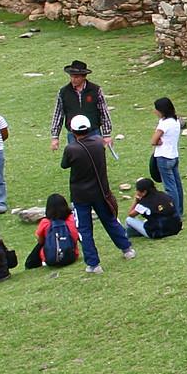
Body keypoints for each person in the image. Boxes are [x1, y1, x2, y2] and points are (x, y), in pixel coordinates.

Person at [60, 114, 132, 274]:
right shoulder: (99, 142)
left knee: (84, 230)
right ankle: (127, 248)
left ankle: (93, 264)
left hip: (80, 195)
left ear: (73, 130)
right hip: (100, 191)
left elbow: (64, 165)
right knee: (110, 220)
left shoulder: (71, 149)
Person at [49, 59, 112, 151]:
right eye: (71, 76)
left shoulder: (95, 90)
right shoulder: (64, 92)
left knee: (95, 157)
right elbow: (58, 115)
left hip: (93, 132)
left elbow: (104, 112)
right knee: (76, 157)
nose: (73, 79)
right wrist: (55, 137)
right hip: (73, 134)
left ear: (83, 77)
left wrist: (107, 134)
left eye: (76, 77)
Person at [150, 96, 185, 218]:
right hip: (173, 156)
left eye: (156, 109)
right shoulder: (175, 121)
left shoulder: (164, 124)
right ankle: (179, 209)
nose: (155, 111)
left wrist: (158, 141)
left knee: (170, 187)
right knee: (177, 184)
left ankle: (174, 213)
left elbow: (153, 140)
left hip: (163, 157)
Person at [26, 193, 79, 269]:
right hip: (71, 256)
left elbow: (40, 241)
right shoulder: (72, 219)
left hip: (49, 259)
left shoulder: (45, 222)